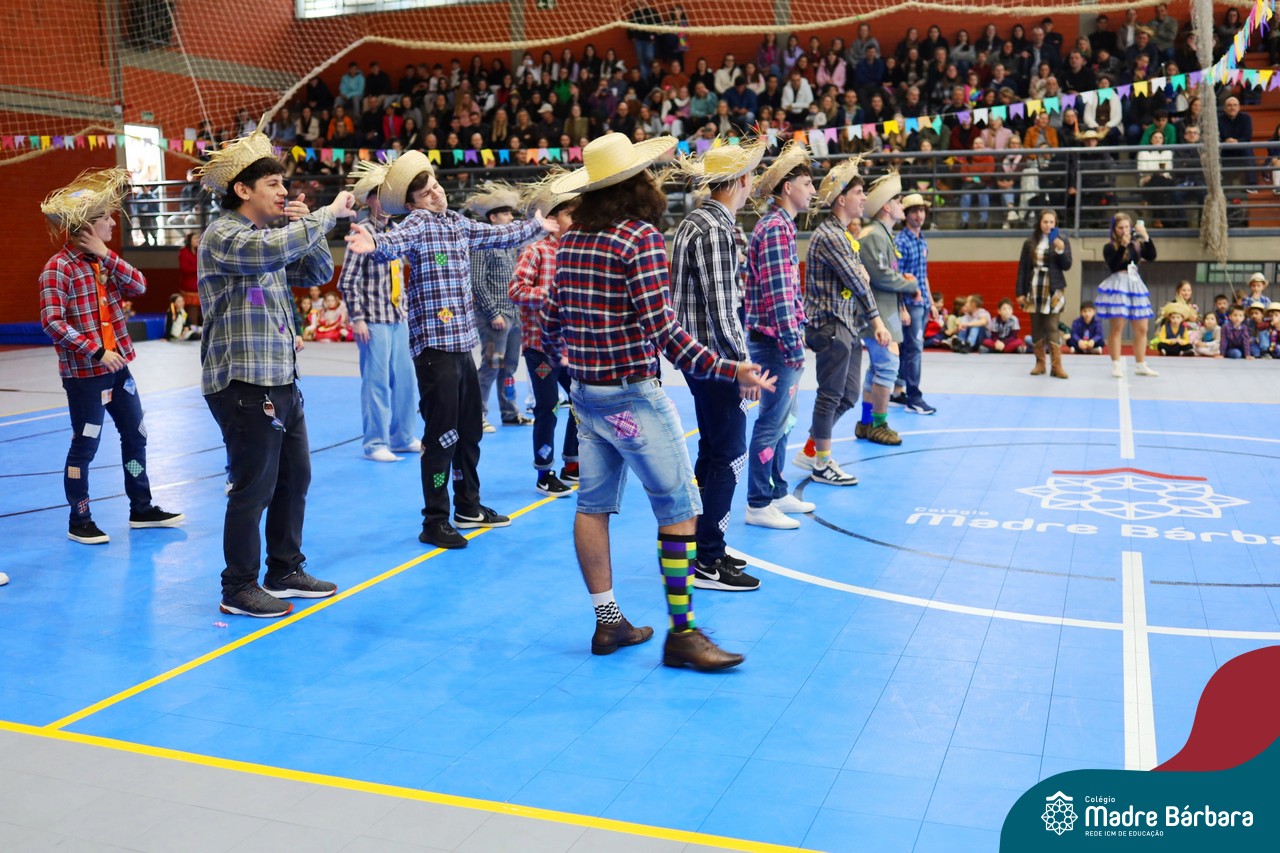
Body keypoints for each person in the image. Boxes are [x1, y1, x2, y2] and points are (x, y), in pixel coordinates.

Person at [539, 133, 776, 670]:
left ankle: (608, 621)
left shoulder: (572, 241)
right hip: (632, 397)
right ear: (635, 184)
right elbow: (665, 333)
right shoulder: (639, 238)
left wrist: (569, 368)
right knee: (681, 509)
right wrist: (731, 367)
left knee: (592, 507)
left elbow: (552, 320)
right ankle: (683, 633)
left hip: (586, 395)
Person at [344, 152, 548, 550]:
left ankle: (468, 505)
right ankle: (434, 519)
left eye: (436, 187)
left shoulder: (457, 223)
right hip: (434, 349)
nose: (436, 194)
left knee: (469, 430)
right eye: (426, 193)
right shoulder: (418, 223)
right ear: (412, 204)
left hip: (462, 345)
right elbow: (394, 242)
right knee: (441, 437)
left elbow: (497, 236)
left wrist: (536, 226)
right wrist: (375, 242)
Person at [194, 126, 356, 617]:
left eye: (284, 184)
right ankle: (238, 587)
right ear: (243, 189)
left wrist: (308, 226)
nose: (284, 192)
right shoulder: (224, 235)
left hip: (281, 379)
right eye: (274, 184)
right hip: (244, 384)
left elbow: (317, 272)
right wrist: (327, 215)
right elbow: (268, 254)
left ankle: (284, 570)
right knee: (253, 488)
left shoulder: (272, 237)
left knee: (294, 478)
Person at [38, 167, 185, 545]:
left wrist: (107, 254)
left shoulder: (105, 261)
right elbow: (52, 322)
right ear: (87, 225)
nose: (113, 222)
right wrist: (97, 351)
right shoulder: (58, 268)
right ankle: (80, 518)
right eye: (106, 217)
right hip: (85, 376)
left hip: (118, 372)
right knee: (85, 444)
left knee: (136, 435)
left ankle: (141, 507)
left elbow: (140, 285)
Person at [669, 139, 769, 588]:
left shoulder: (694, 221)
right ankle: (708, 558)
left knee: (712, 451)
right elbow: (722, 308)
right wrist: (741, 364)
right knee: (728, 455)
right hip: (715, 360)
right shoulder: (715, 229)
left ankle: (702, 547)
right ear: (741, 180)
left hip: (697, 358)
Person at [793, 157, 891, 484]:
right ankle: (821, 463)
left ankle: (811, 450)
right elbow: (857, 282)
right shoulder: (831, 237)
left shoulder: (843, 234)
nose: (864, 198)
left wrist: (861, 275)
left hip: (847, 324)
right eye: (859, 193)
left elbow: (860, 278)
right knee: (830, 395)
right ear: (841, 199)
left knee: (848, 395)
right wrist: (878, 322)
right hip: (831, 325)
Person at [743, 140, 817, 530]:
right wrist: (792, 344)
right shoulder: (774, 229)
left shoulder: (782, 226)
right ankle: (758, 502)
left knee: (783, 420)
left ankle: (775, 491)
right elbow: (778, 295)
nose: (813, 190)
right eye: (807, 183)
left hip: (779, 339)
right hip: (774, 342)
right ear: (787, 188)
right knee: (772, 422)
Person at [337, 159, 423, 463]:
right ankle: (375, 443)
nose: (386, 203)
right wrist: (357, 319)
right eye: (380, 196)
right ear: (370, 199)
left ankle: (403, 436)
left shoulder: (396, 232)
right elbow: (347, 280)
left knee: (406, 381)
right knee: (376, 382)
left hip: (398, 317)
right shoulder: (361, 231)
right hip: (373, 320)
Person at [508, 172, 581, 498]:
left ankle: (572, 463)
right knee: (548, 406)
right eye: (569, 215)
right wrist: (549, 295)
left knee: (581, 401)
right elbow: (516, 290)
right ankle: (544, 471)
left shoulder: (575, 252)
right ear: (552, 219)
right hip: (540, 347)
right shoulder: (536, 251)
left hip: (570, 348)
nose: (575, 221)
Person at [465, 182, 535, 432]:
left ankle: (510, 412)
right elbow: (476, 281)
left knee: (510, 367)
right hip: (494, 319)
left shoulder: (512, 244)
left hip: (514, 316)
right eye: (505, 213)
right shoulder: (482, 244)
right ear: (493, 218)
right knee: (491, 365)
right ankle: (477, 414)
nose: (510, 217)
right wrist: (493, 313)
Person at [857, 172, 917, 446]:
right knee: (887, 366)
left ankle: (867, 422)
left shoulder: (883, 234)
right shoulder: (873, 236)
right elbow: (881, 276)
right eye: (898, 201)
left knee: (878, 368)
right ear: (886, 207)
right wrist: (909, 285)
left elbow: (886, 273)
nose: (902, 205)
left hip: (886, 310)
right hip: (876, 313)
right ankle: (879, 424)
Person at [891, 192, 939, 414]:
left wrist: (932, 302)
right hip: (909, 304)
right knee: (914, 350)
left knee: (908, 349)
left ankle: (898, 392)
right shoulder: (901, 242)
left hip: (922, 303)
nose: (919, 215)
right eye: (914, 211)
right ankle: (914, 397)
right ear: (906, 215)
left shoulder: (922, 240)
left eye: (921, 211)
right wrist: (901, 308)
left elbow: (923, 274)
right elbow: (896, 278)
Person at [1095, 212, 1158, 378]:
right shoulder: (1109, 247)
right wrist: (1122, 245)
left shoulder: (1136, 244)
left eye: (1126, 227)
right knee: (1117, 327)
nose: (1124, 230)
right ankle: (1116, 364)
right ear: (1114, 229)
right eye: (1120, 227)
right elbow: (1114, 266)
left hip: (1135, 283)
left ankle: (1141, 364)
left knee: (1142, 328)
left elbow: (1152, 256)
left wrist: (1145, 236)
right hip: (1118, 283)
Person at [1016, 209, 1073, 378]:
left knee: (1052, 326)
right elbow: (1022, 268)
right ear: (1039, 223)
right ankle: (1040, 364)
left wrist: (1060, 250)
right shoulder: (1029, 242)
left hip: (1054, 287)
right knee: (1037, 327)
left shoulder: (1062, 240)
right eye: (1045, 222)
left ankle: (1057, 366)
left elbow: (1067, 265)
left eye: (1051, 222)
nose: (1048, 225)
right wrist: (1020, 292)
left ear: (1056, 224)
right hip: (1034, 286)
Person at [178, 231, 201, 325]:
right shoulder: (184, 252)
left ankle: (199, 329)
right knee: (192, 310)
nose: (197, 240)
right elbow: (185, 269)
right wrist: (199, 268)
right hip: (190, 286)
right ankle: (192, 328)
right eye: (195, 238)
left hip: (199, 284)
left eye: (198, 238)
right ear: (189, 241)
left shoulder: (198, 251)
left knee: (200, 312)